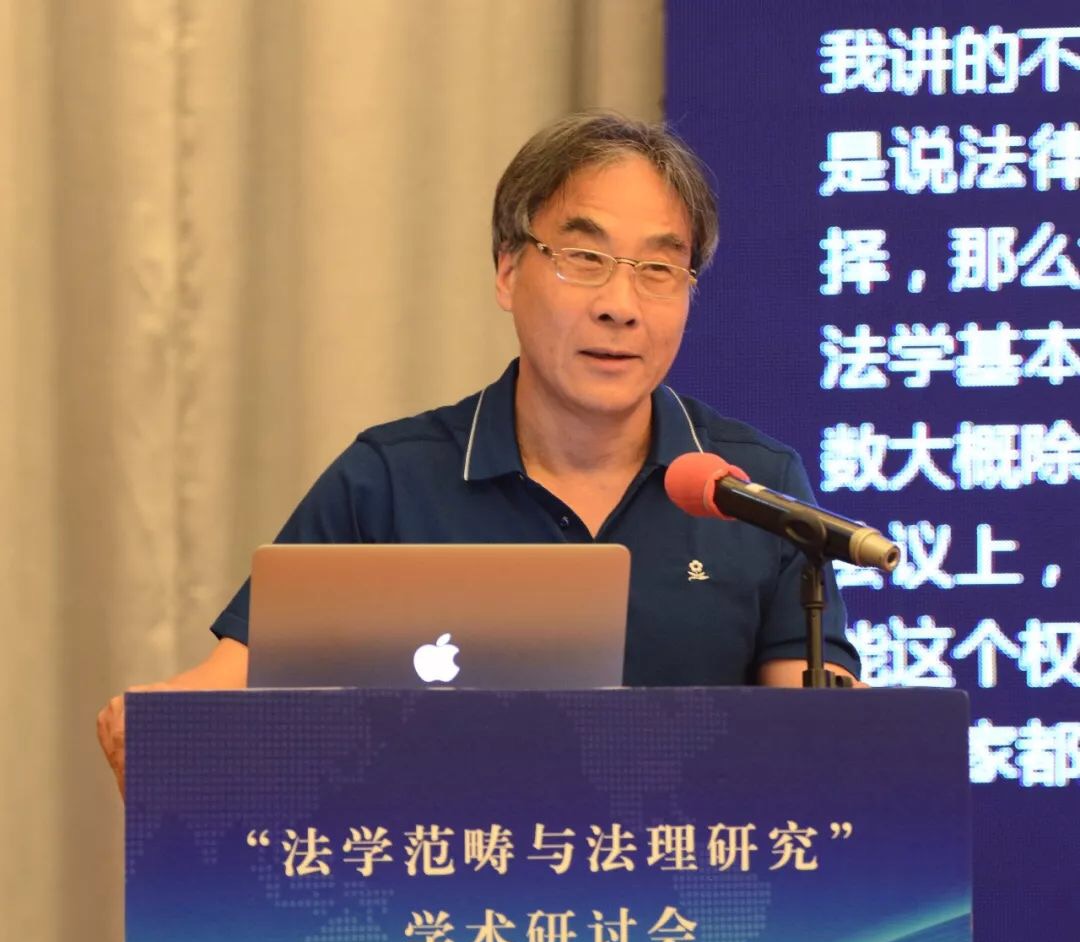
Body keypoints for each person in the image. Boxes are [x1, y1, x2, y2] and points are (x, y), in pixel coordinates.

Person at [97, 111, 860, 796]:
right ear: (506, 270)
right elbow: (236, 681)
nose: (619, 306)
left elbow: (813, 745)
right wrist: (159, 719)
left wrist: (864, 739)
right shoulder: (390, 481)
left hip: (686, 898)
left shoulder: (752, 491)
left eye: (658, 269)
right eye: (583, 257)